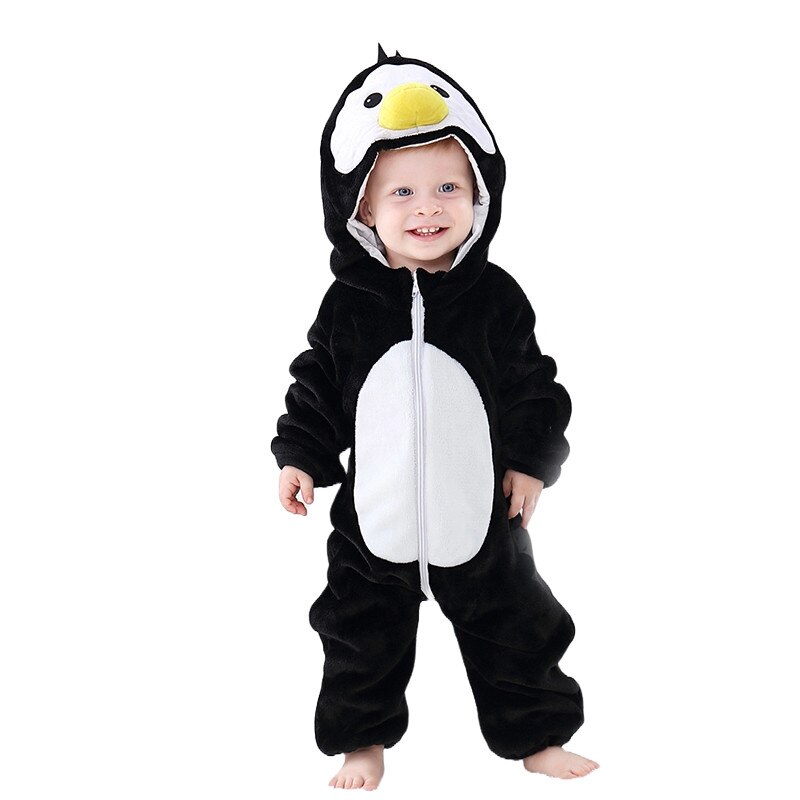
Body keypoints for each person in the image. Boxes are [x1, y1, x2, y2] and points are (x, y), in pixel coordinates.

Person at [271, 45, 599, 790]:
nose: (428, 208)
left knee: (519, 627)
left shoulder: (495, 298)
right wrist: (300, 456)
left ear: (479, 197)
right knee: (357, 635)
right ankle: (361, 743)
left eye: (449, 187)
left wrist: (531, 463)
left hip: (480, 517)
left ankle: (539, 736)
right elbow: (317, 383)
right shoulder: (350, 305)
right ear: (360, 209)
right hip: (373, 524)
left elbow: (534, 386)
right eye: (403, 193)